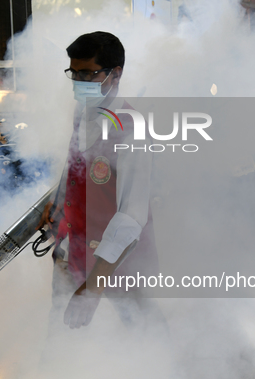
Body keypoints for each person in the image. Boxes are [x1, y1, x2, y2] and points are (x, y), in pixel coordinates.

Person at [37, 31, 162, 331]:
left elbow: (132, 216)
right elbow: (75, 164)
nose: (79, 83)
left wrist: (93, 289)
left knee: (141, 329)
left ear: (115, 74)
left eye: (89, 74)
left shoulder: (132, 130)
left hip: (120, 259)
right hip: (76, 247)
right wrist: (56, 201)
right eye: (74, 73)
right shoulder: (82, 114)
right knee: (63, 329)